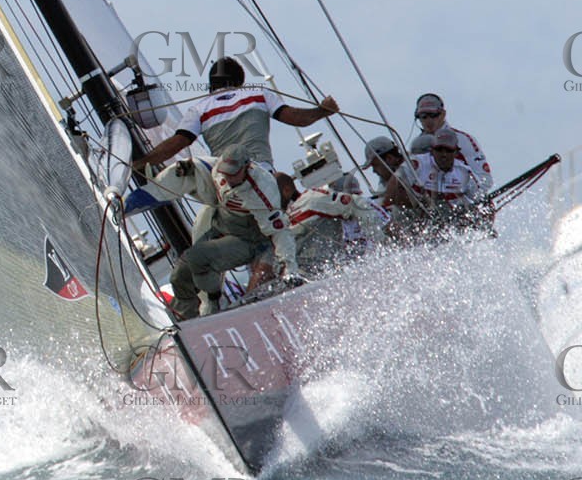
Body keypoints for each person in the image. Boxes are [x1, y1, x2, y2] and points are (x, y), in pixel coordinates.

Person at [137, 56, 340, 171]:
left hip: (226, 180)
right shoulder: (259, 95)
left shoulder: (198, 109)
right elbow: (297, 119)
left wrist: (139, 164)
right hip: (260, 172)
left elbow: (174, 146)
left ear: (211, 84)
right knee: (285, 186)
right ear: (241, 81)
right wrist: (323, 111)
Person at [168, 145, 300, 320]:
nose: (228, 177)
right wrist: (188, 168)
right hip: (221, 225)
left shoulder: (262, 193)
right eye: (226, 172)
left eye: (233, 173)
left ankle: (229, 310)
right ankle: (184, 321)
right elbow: (204, 168)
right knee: (180, 275)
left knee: (258, 274)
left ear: (247, 167)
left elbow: (280, 233)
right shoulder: (218, 171)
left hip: (251, 241)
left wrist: (291, 269)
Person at [386, 125, 490, 233]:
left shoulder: (465, 174)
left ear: (456, 153)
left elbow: (482, 202)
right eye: (439, 150)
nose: (443, 155)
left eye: (448, 150)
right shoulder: (416, 165)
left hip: (448, 223)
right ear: (432, 151)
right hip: (414, 219)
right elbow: (391, 193)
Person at [407, 93, 491, 186]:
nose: (428, 120)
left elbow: (485, 179)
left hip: (462, 196)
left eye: (433, 115)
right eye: (423, 116)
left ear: (443, 114)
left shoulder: (462, 140)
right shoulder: (418, 144)